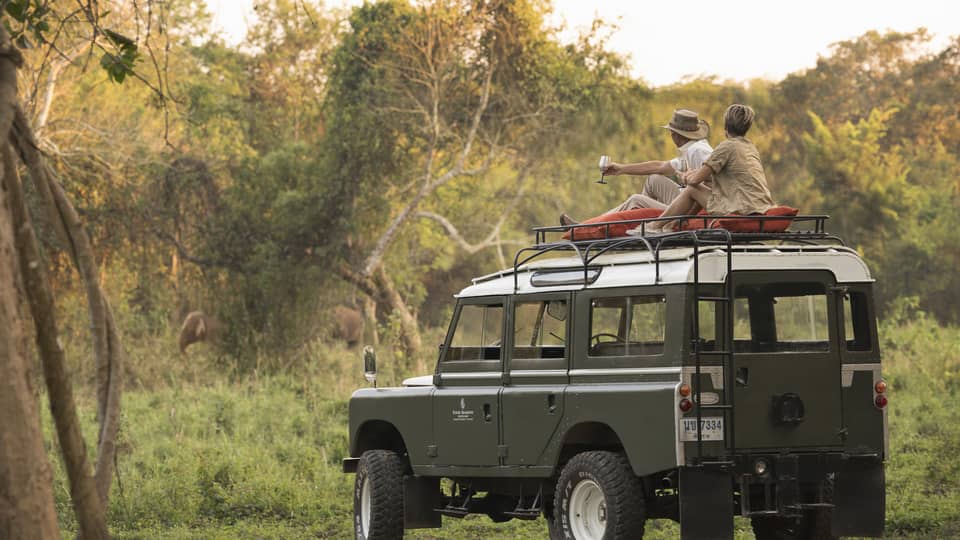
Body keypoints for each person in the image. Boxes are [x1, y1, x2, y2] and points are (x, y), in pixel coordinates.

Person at [632, 104, 774, 234]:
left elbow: (695, 181)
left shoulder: (726, 147)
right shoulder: (750, 148)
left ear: (726, 127)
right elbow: (715, 176)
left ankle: (655, 226)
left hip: (740, 208)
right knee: (696, 188)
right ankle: (671, 224)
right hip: (760, 206)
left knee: (692, 188)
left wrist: (684, 176)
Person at [559, 109, 712, 226]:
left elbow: (711, 184)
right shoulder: (692, 148)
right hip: (686, 200)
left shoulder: (698, 151)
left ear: (675, 135)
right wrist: (621, 169)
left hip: (692, 208)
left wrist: (684, 217)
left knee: (635, 200)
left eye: (671, 133)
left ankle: (586, 227)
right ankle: (641, 220)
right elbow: (659, 166)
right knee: (654, 179)